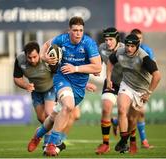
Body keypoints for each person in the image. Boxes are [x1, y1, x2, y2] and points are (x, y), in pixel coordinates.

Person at [28, 16, 102, 156]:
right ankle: (52, 143)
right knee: (68, 106)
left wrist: (76, 69)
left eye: (81, 30)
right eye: (75, 30)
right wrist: (45, 57)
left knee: (53, 117)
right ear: (70, 30)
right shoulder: (62, 39)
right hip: (62, 79)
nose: (78, 33)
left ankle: (37, 136)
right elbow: (45, 46)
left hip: (79, 87)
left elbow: (97, 67)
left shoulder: (89, 43)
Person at [106, 34, 161, 154]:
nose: (129, 48)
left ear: (137, 46)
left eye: (132, 46)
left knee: (132, 119)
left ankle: (124, 141)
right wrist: (108, 78)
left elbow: (157, 76)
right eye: (127, 45)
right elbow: (110, 61)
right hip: (126, 85)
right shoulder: (120, 52)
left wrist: (149, 92)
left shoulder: (144, 57)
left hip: (141, 90)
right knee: (121, 110)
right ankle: (124, 141)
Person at [13, 41, 57, 150]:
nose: (32, 60)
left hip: (50, 88)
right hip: (36, 90)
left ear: (39, 53)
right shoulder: (20, 59)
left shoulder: (48, 58)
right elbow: (17, 79)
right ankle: (40, 133)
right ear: (25, 55)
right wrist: (26, 85)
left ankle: (48, 144)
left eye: (35, 57)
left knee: (49, 114)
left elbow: (59, 73)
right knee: (41, 118)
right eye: (29, 57)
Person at [95, 27, 125, 155]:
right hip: (110, 82)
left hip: (127, 84)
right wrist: (95, 69)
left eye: (111, 39)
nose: (108, 42)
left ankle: (124, 142)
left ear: (117, 39)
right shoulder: (101, 48)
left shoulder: (125, 49)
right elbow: (97, 63)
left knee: (125, 112)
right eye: (106, 39)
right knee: (106, 108)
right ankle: (105, 144)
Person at [130, 28, 155, 149]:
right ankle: (138, 141)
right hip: (129, 84)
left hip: (142, 85)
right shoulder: (127, 49)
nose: (138, 41)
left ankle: (142, 141)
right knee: (138, 112)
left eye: (140, 38)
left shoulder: (147, 50)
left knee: (139, 114)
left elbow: (153, 67)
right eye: (136, 38)